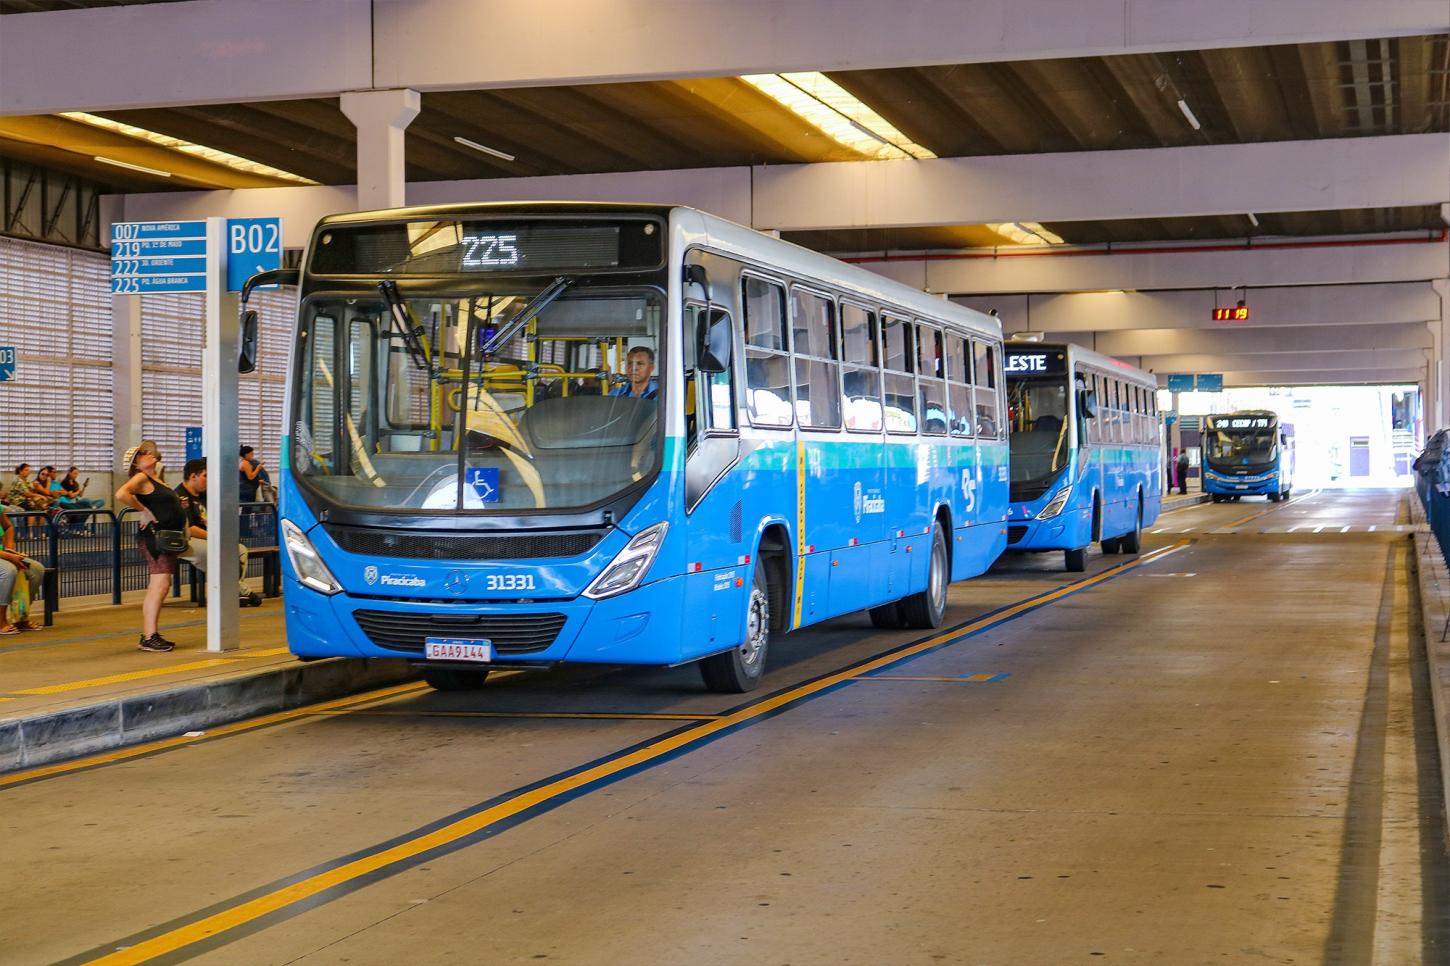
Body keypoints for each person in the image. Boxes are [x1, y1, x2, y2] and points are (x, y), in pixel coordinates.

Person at [116, 443, 187, 652]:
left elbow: (160, 502)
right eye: (141, 454)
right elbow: (122, 494)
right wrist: (143, 509)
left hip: (165, 537)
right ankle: (149, 636)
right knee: (160, 585)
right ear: (136, 465)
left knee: (159, 585)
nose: (147, 454)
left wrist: (176, 503)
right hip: (155, 538)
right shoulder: (141, 478)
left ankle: (149, 634)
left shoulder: (156, 479)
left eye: (146, 451)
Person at [175, 458, 261, 606]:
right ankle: (240, 591)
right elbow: (190, 529)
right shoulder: (180, 496)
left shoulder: (205, 495)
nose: (208, 481)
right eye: (205, 476)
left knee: (240, 550)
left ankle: (233, 589)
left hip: (208, 538)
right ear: (193, 476)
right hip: (187, 540)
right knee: (217, 551)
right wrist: (215, 538)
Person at [0, 505, 44, 635]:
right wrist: (10, 557)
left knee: (36, 569)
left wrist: (9, 548)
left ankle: (20, 617)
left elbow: (8, 527)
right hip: (3, 557)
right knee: (8, 571)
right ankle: (1, 621)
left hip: (3, 554)